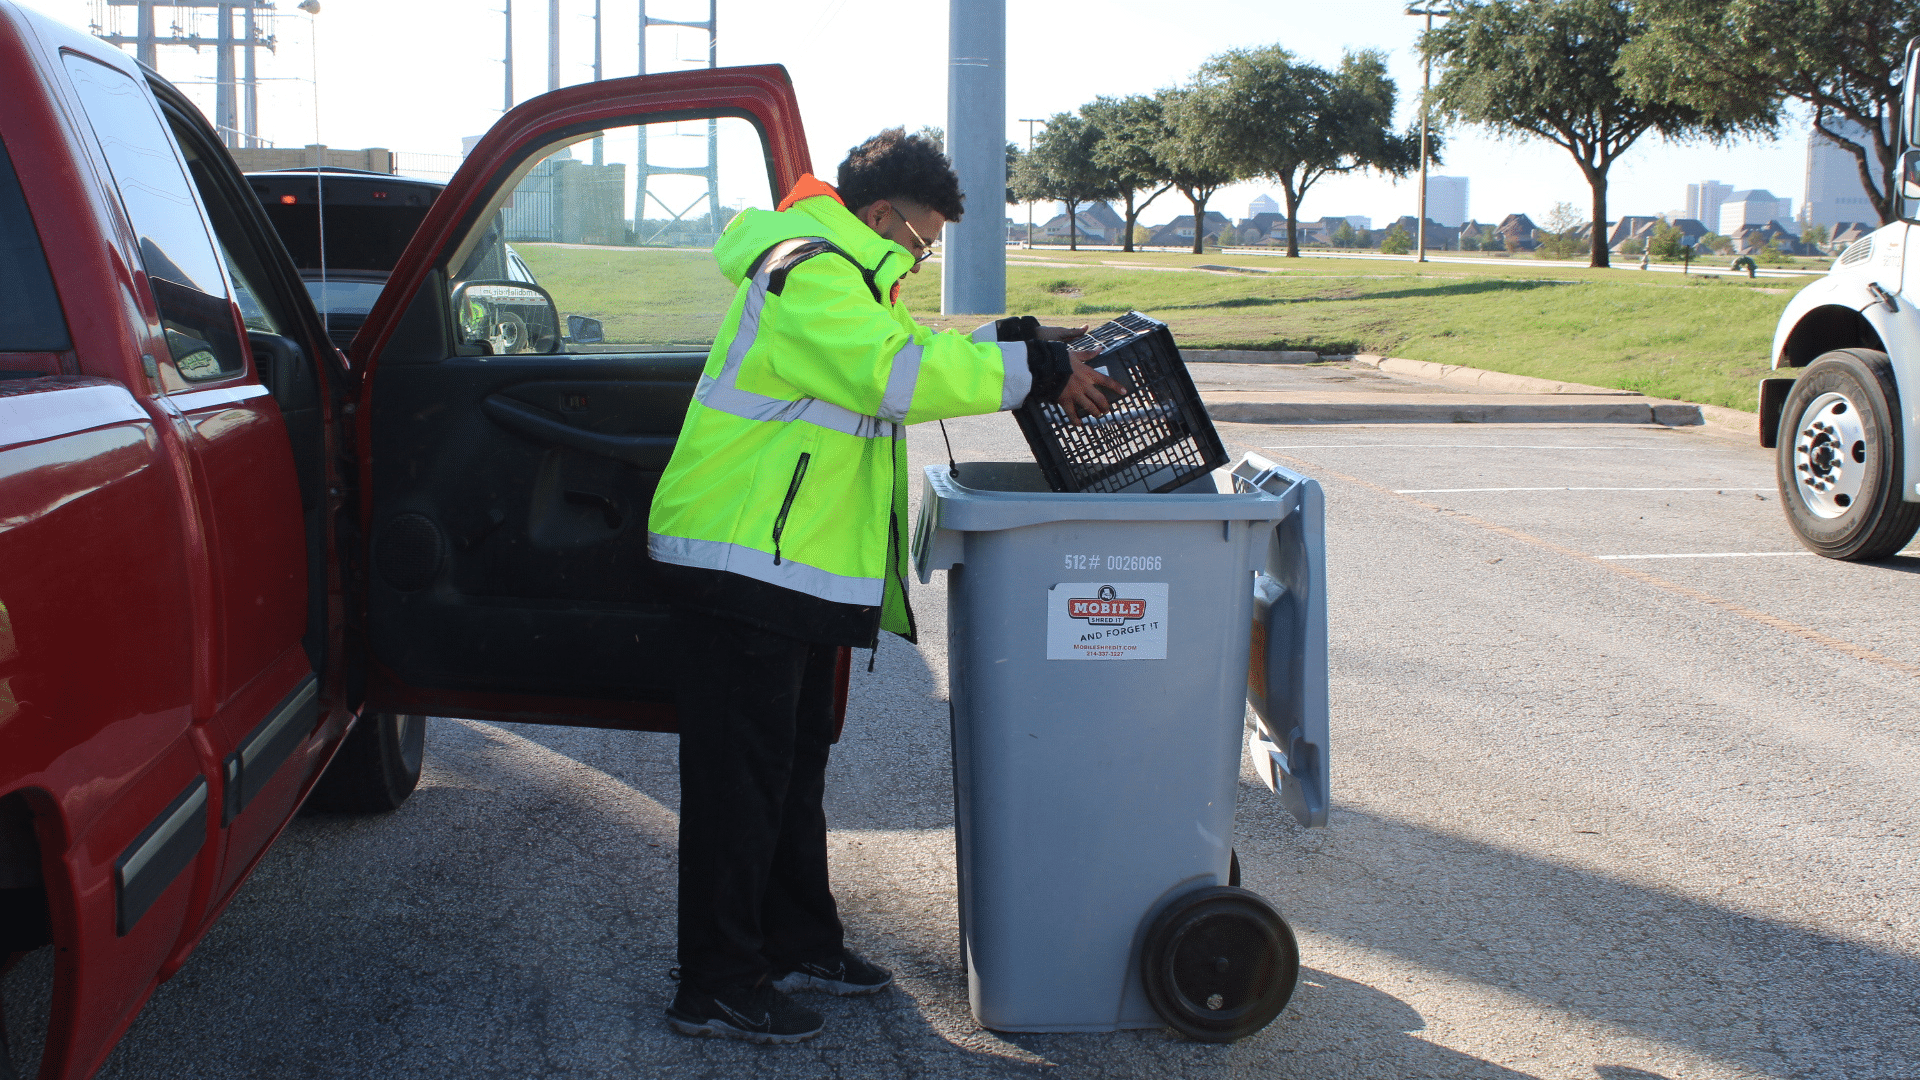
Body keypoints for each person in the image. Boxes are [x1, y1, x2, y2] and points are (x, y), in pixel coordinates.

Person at [646, 128, 1124, 1044]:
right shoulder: (810, 272)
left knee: (786, 774)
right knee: (738, 789)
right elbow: (899, 375)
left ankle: (794, 939)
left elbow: (911, 345)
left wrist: (1023, 344)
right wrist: (1036, 374)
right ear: (879, 216)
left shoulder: (853, 281)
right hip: (738, 563)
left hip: (779, 568)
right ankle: (714, 982)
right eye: (922, 239)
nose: (924, 255)